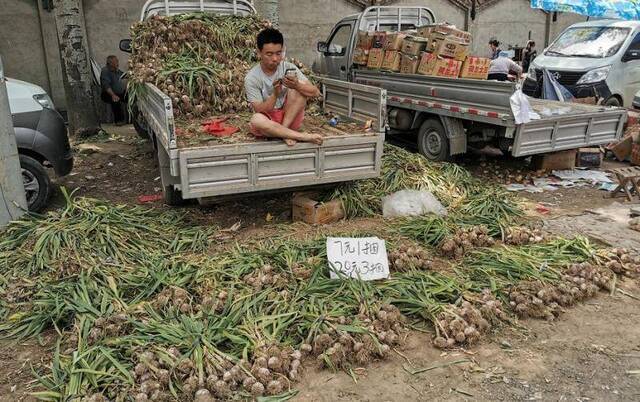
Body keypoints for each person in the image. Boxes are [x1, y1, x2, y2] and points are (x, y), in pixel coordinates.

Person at [245, 28, 323, 146]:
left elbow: (316, 93)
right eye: (269, 54)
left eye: (278, 53)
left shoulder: (288, 67)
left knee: (300, 88)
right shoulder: (252, 77)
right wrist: (275, 95)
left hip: (289, 119)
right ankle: (301, 136)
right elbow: (260, 110)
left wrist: (296, 85)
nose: (275, 59)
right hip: (269, 123)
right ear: (259, 52)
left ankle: (284, 132)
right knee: (256, 119)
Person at [100, 55, 128, 125]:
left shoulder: (117, 71)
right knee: (115, 101)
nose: (118, 63)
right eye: (116, 61)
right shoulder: (105, 71)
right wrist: (113, 95)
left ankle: (130, 120)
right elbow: (106, 85)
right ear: (111, 63)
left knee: (130, 98)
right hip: (108, 93)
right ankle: (118, 121)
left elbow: (124, 75)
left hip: (119, 93)